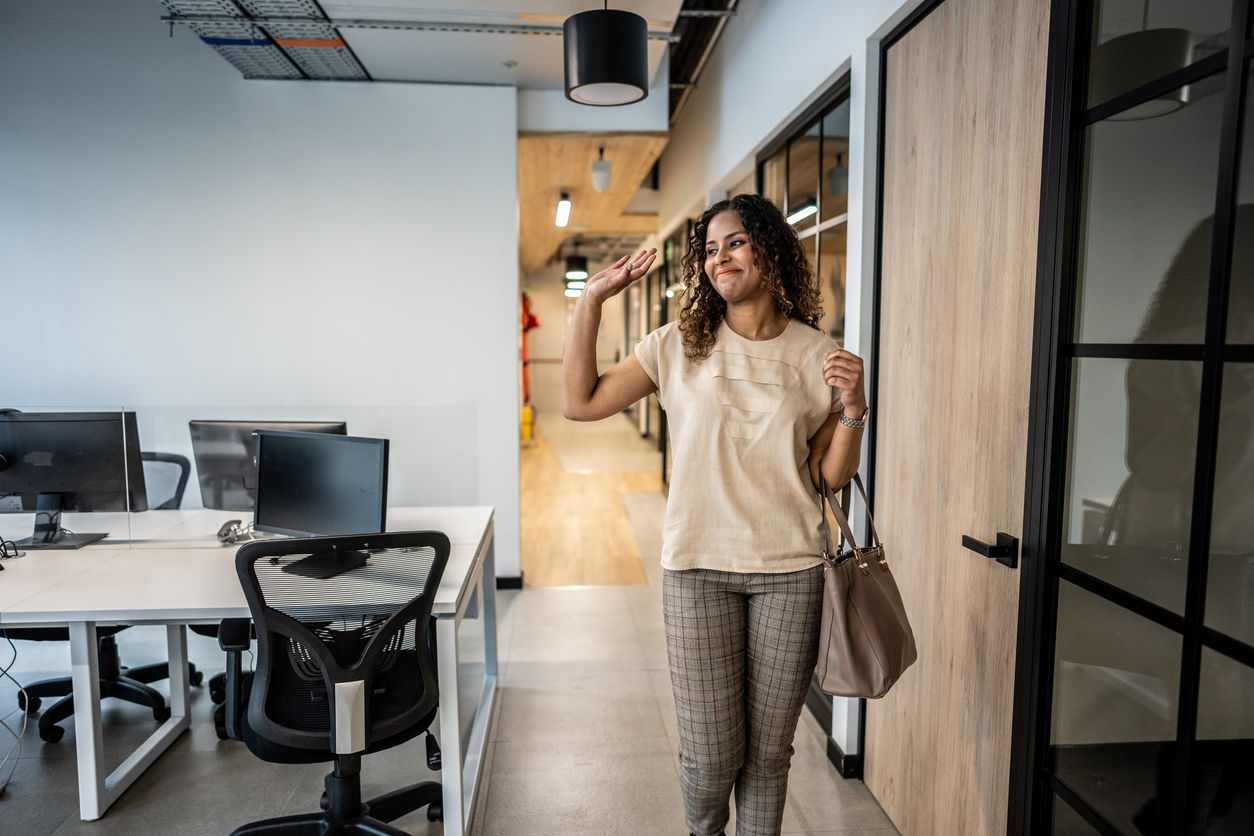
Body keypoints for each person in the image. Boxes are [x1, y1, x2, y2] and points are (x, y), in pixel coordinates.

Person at [562, 193, 868, 836]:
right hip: (698, 571)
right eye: (709, 248)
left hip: (790, 572)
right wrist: (592, 300)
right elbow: (581, 402)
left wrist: (853, 407)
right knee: (709, 760)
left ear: (770, 249)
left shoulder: (818, 355)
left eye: (734, 242)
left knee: (767, 756)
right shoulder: (678, 345)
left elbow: (827, 477)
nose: (719, 257)